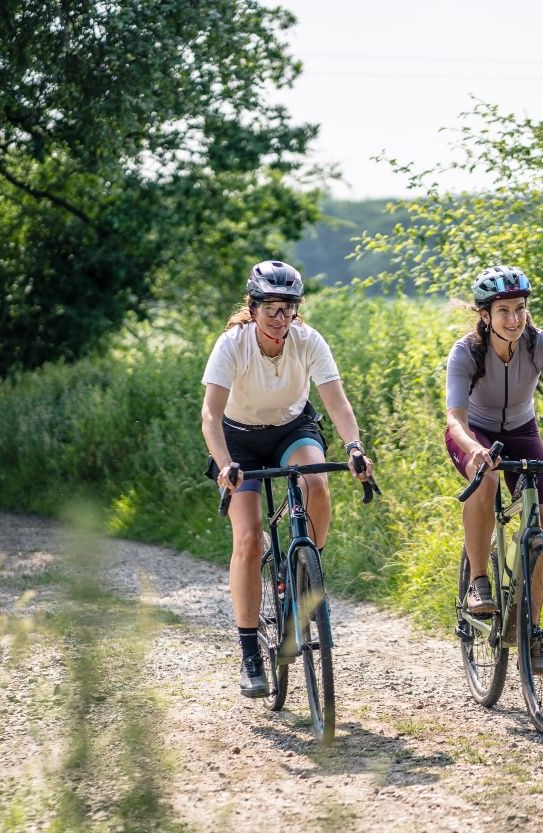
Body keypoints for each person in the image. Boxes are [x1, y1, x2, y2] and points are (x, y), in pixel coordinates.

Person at [201, 260, 374, 698]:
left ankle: (302, 571)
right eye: (271, 309)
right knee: (248, 536)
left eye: (289, 308)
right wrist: (224, 463)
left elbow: (336, 402)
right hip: (238, 440)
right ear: (253, 308)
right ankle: (250, 655)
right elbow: (210, 415)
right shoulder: (232, 344)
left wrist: (354, 447)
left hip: (291, 429)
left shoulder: (307, 339)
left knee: (316, 484)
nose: (281, 318)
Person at [444, 265, 543, 672]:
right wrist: (474, 450)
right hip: (474, 431)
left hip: (522, 430)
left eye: (520, 308)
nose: (514, 319)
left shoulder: (540, 344)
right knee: (487, 479)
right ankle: (478, 581)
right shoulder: (466, 352)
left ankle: (529, 629)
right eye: (504, 311)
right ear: (485, 315)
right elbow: (455, 419)